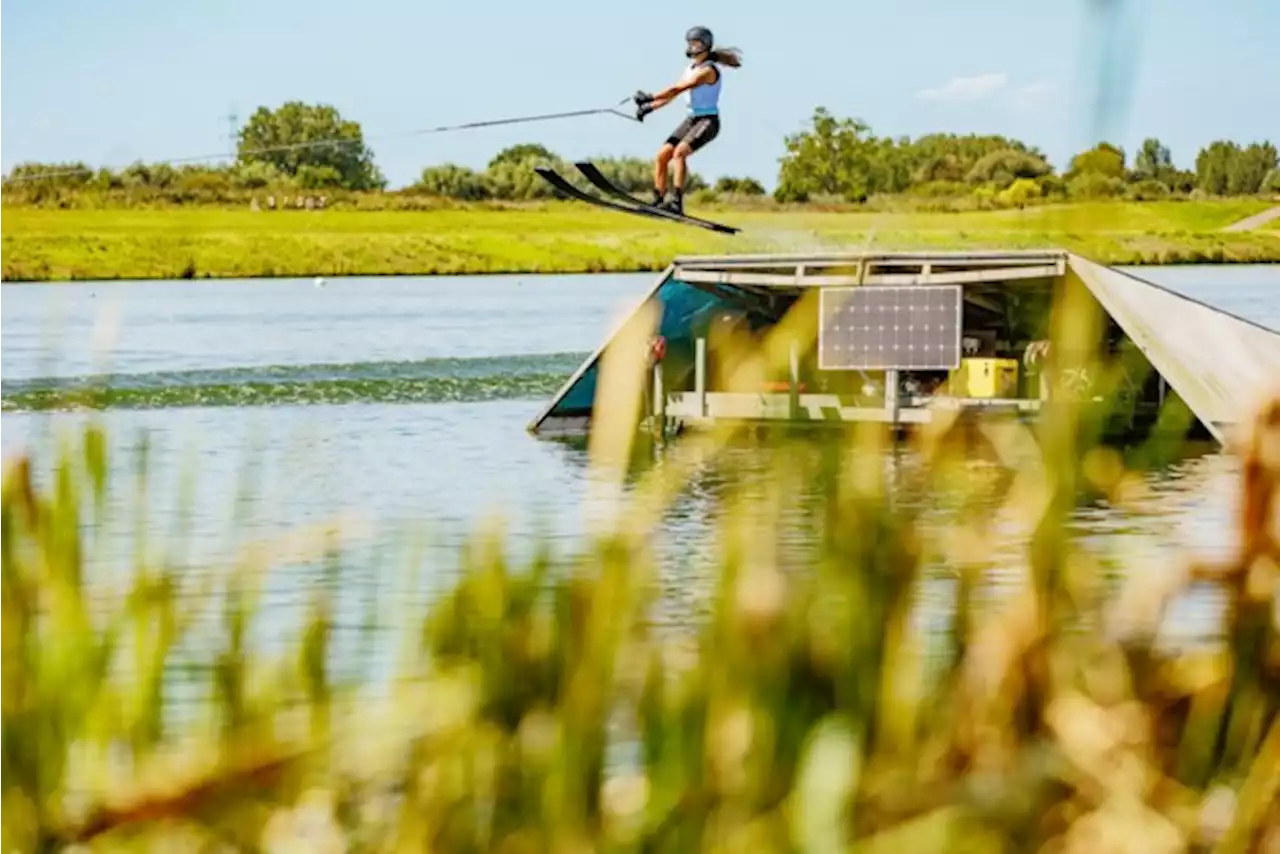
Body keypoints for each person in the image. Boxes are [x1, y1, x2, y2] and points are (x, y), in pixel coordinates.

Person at [633, 26, 742, 215]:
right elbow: (672, 96)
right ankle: (658, 199)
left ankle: (676, 203)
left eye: (695, 43)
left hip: (708, 122)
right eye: (689, 43)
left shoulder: (707, 71)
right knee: (662, 155)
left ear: (706, 45)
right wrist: (649, 108)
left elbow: (678, 89)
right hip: (691, 120)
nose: (691, 47)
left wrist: (650, 96)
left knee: (680, 153)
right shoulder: (690, 69)